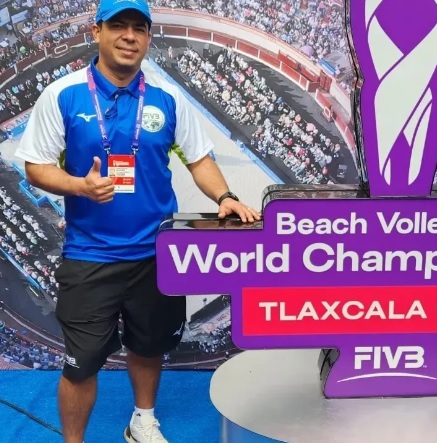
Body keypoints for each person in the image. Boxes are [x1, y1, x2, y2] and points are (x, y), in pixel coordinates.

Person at [14, 0, 261, 441]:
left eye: (139, 28)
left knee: (149, 346)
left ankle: (142, 420)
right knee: (81, 364)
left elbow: (199, 159)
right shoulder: (63, 94)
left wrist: (224, 196)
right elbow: (36, 166)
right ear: (97, 32)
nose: (129, 36)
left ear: (148, 37)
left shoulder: (167, 98)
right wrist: (79, 186)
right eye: (119, 26)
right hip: (90, 255)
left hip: (157, 253)